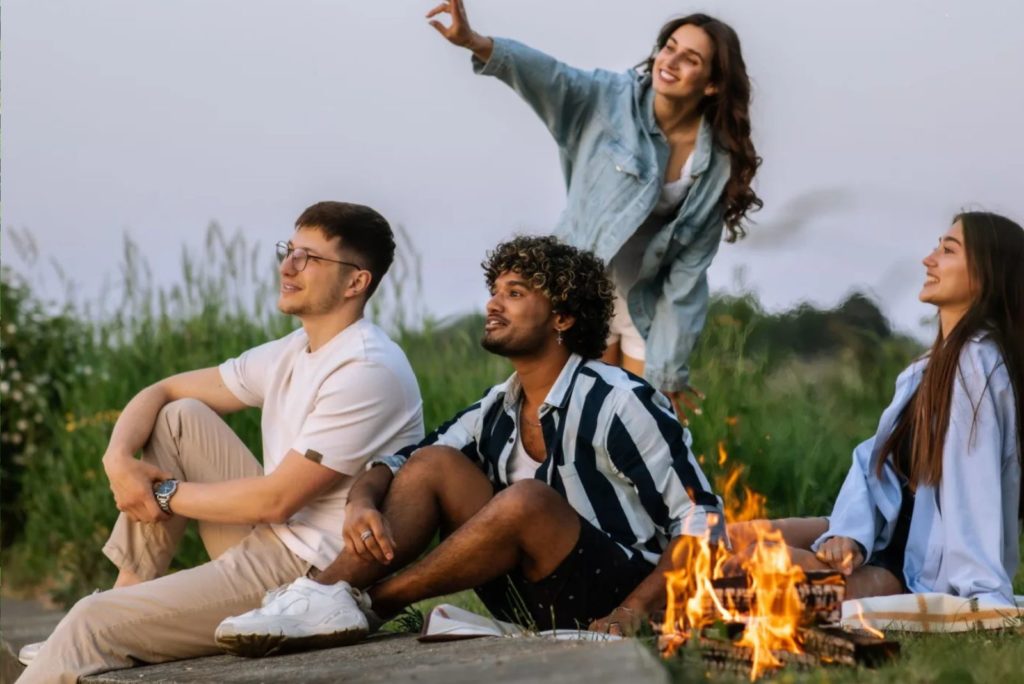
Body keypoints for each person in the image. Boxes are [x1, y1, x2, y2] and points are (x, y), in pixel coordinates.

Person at [214, 235, 727, 656]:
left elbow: (702, 521)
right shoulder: (498, 406)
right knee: (435, 463)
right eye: (494, 290)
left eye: (515, 292)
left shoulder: (620, 400)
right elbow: (403, 462)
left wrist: (632, 612)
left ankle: (366, 604)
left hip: (616, 590)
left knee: (527, 502)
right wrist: (361, 499)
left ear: (563, 318)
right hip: (531, 595)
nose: (492, 303)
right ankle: (324, 595)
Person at [17, 201, 425, 683]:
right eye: (288, 251)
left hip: (310, 578)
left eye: (309, 258)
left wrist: (161, 494)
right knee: (179, 418)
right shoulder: (294, 351)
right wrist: (117, 459)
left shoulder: (365, 368)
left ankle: (103, 625)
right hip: (272, 539)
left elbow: (277, 500)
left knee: (87, 623)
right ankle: (125, 597)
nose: (286, 266)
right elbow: (164, 390)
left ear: (356, 282)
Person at [427, 0, 762, 420]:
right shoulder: (610, 99)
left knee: (638, 421)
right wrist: (476, 43)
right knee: (576, 420)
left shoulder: (717, 163)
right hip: (586, 290)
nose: (670, 61)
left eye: (690, 58)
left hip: (647, 303)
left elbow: (688, 275)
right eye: (669, 46)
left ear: (712, 84)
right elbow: (551, 78)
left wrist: (670, 369)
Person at [730, 212, 1022, 605]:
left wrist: (980, 593)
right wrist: (849, 534)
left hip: (909, 567)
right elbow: (872, 464)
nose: (929, 259)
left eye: (948, 250)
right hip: (873, 533)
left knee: (755, 564)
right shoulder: (924, 369)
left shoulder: (980, 365)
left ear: (987, 273)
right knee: (724, 540)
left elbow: (974, 492)